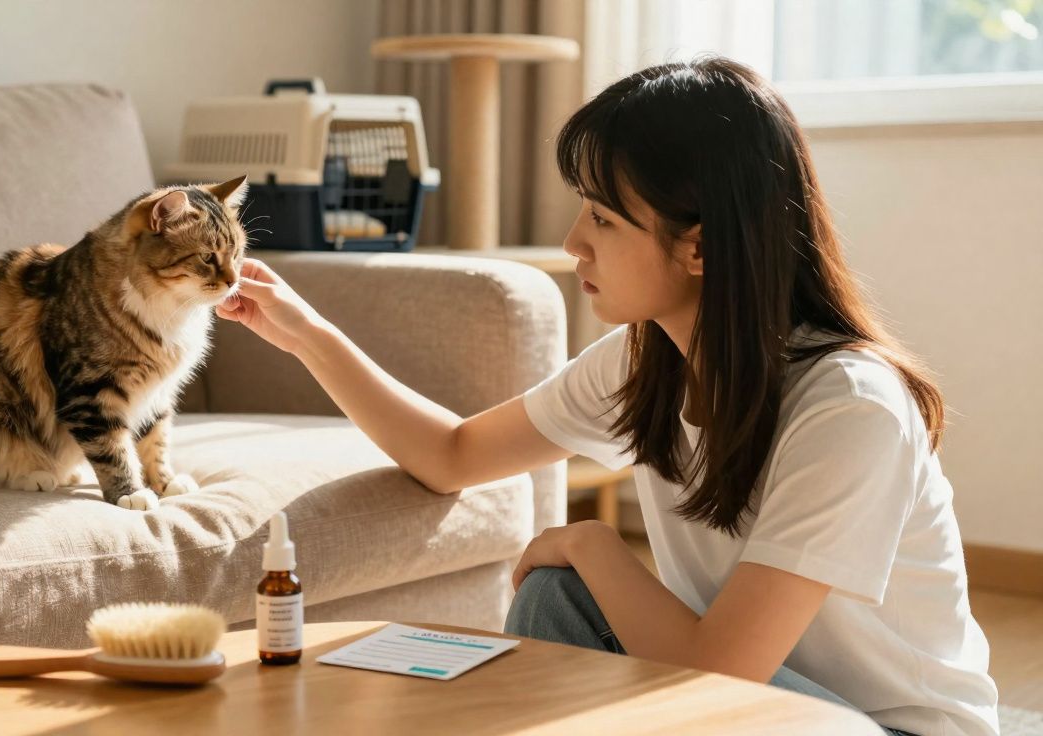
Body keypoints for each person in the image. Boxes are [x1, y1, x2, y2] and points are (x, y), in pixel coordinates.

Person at [215, 56, 999, 736]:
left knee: (577, 574)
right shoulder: (646, 359)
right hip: (748, 702)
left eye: (602, 217)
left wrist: (590, 541)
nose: (572, 242)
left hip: (882, 728)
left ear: (699, 246)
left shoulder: (849, 407)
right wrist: (302, 329)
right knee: (559, 598)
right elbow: (451, 457)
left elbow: (720, 666)